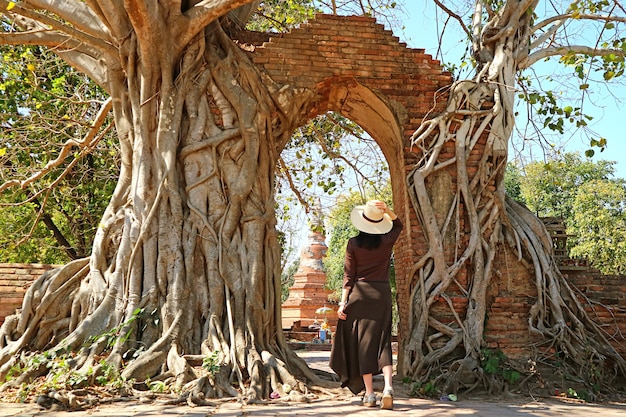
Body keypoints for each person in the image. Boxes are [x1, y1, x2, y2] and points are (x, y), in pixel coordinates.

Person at [329, 200, 403, 410]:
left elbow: (348, 276)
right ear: (379, 223)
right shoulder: (386, 241)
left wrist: (343, 303)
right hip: (381, 294)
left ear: (361, 222)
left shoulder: (353, 243)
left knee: (363, 345)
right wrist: (388, 210)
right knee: (383, 342)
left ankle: (370, 394)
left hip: (359, 296)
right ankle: (388, 388)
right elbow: (399, 225)